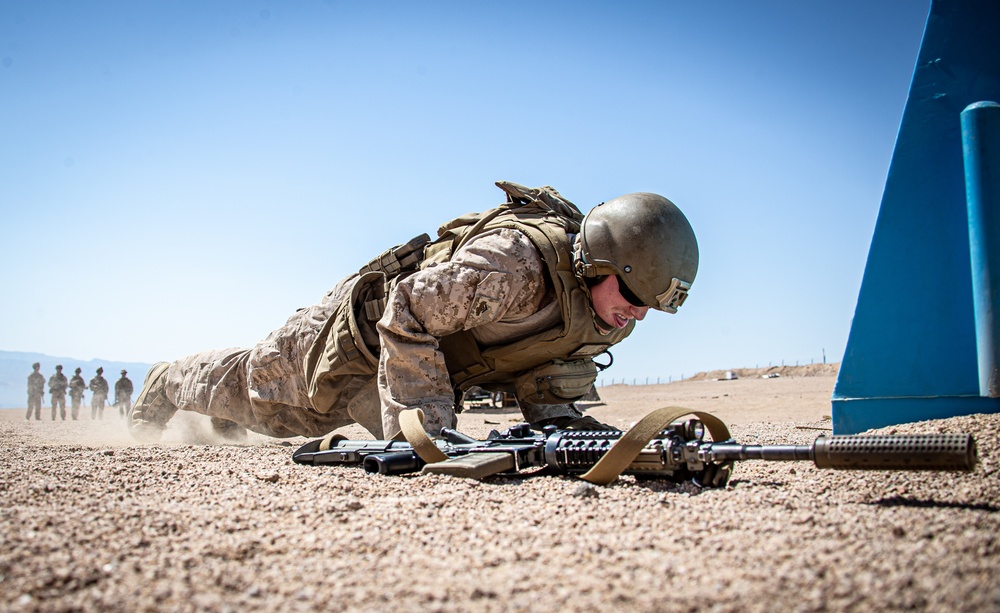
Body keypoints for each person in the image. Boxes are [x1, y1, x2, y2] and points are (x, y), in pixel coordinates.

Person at [128, 181, 698, 442]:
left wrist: (563, 430)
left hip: (403, 369)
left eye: (650, 308)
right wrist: (428, 431)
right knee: (260, 393)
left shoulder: (603, 311)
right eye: (633, 299)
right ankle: (166, 381)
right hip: (351, 336)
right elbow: (408, 308)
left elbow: (545, 368)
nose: (638, 317)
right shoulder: (513, 268)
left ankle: (210, 426)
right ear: (600, 264)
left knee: (276, 426)